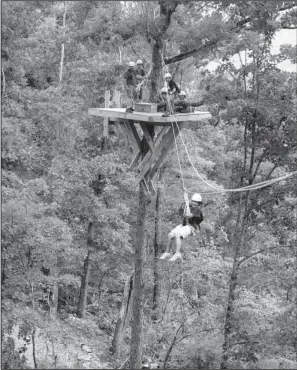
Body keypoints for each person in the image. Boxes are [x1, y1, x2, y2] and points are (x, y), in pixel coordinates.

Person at [160, 193, 204, 261]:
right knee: (170, 235)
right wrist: (184, 205)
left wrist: (186, 207)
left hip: (191, 227)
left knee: (178, 234)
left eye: (196, 202)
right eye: (193, 201)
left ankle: (177, 253)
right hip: (184, 225)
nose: (194, 203)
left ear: (199, 204)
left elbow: (188, 216)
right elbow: (181, 213)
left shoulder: (198, 210)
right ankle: (167, 252)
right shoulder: (189, 207)